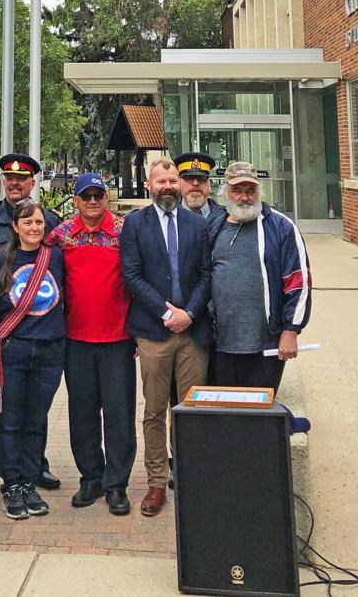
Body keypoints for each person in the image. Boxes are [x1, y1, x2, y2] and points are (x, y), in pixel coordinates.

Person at [120, 158, 212, 518]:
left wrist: (188, 313)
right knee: (155, 411)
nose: (170, 186)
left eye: (174, 180)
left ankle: (190, 478)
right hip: (153, 333)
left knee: (191, 411)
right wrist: (165, 312)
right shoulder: (134, 224)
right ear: (149, 185)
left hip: (192, 332)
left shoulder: (196, 224)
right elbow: (131, 275)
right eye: (162, 181)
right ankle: (157, 482)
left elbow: (206, 274)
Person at [48, 173, 136, 516]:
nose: (94, 201)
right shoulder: (61, 236)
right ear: (76, 201)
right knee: (82, 413)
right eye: (87, 196)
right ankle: (91, 477)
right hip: (76, 339)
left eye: (99, 195)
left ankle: (117, 484)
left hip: (118, 339)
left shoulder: (126, 232)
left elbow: (141, 276)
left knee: (119, 414)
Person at [0, 152, 61, 493]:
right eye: (8, 178)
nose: (14, 183)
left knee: (33, 409)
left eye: (21, 179)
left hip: (38, 332)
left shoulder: (50, 221)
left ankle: (34, 466)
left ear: (32, 182)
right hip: (3, 337)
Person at [0, 199, 65, 520]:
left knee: (36, 420)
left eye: (39, 222)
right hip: (14, 350)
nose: (34, 228)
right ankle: (12, 485)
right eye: (28, 222)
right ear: (15, 227)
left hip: (49, 351)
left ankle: (30, 482)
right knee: (11, 420)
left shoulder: (56, 258)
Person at [209, 161, 312, 393]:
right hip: (221, 343)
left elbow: (299, 281)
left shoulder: (281, 227)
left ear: (259, 191)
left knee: (260, 413)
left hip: (266, 344)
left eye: (250, 190)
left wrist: (291, 330)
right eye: (237, 190)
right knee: (227, 412)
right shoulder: (213, 227)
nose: (244, 197)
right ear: (225, 192)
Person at [175, 151, 226, 222]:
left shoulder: (226, 218)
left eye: (201, 178)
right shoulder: (168, 217)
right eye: (189, 178)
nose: (195, 183)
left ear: (210, 184)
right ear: (179, 183)